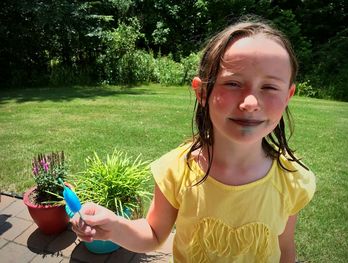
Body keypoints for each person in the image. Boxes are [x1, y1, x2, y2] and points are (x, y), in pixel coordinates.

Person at [71, 18, 316, 263]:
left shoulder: (292, 179)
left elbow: (284, 247)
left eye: (270, 87)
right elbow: (154, 234)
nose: (250, 103)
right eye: (233, 83)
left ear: (288, 96)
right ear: (202, 92)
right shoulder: (176, 170)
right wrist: (115, 227)